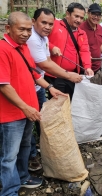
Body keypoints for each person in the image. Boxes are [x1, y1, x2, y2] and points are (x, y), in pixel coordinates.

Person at [0, 12, 65, 195]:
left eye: (29, 30)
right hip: (12, 114)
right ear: (8, 28)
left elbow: (34, 73)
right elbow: (4, 86)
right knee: (8, 156)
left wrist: (50, 87)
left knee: (25, 147)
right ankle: (9, 191)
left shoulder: (23, 47)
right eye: (21, 29)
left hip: (29, 110)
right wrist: (26, 107)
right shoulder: (2, 49)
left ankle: (22, 177)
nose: (26, 33)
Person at [26, 8, 82, 171]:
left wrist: (50, 85)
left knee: (42, 118)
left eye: (50, 24)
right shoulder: (33, 39)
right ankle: (31, 156)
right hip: (29, 87)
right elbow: (44, 64)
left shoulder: (43, 38)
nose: (48, 27)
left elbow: (48, 60)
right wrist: (67, 75)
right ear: (33, 21)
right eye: (43, 22)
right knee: (29, 122)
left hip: (39, 84)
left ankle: (39, 147)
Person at [45, 2, 94, 100]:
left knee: (71, 103)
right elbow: (40, 39)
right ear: (68, 14)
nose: (79, 20)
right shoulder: (54, 25)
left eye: (81, 18)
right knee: (58, 104)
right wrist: (51, 47)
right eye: (76, 16)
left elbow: (85, 51)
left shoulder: (82, 33)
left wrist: (88, 67)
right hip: (56, 74)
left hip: (73, 75)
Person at [80, 3, 102, 84]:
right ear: (88, 13)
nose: (96, 17)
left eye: (98, 15)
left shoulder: (100, 28)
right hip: (83, 69)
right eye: (93, 14)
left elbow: (99, 44)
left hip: (97, 66)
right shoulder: (81, 28)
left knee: (97, 91)